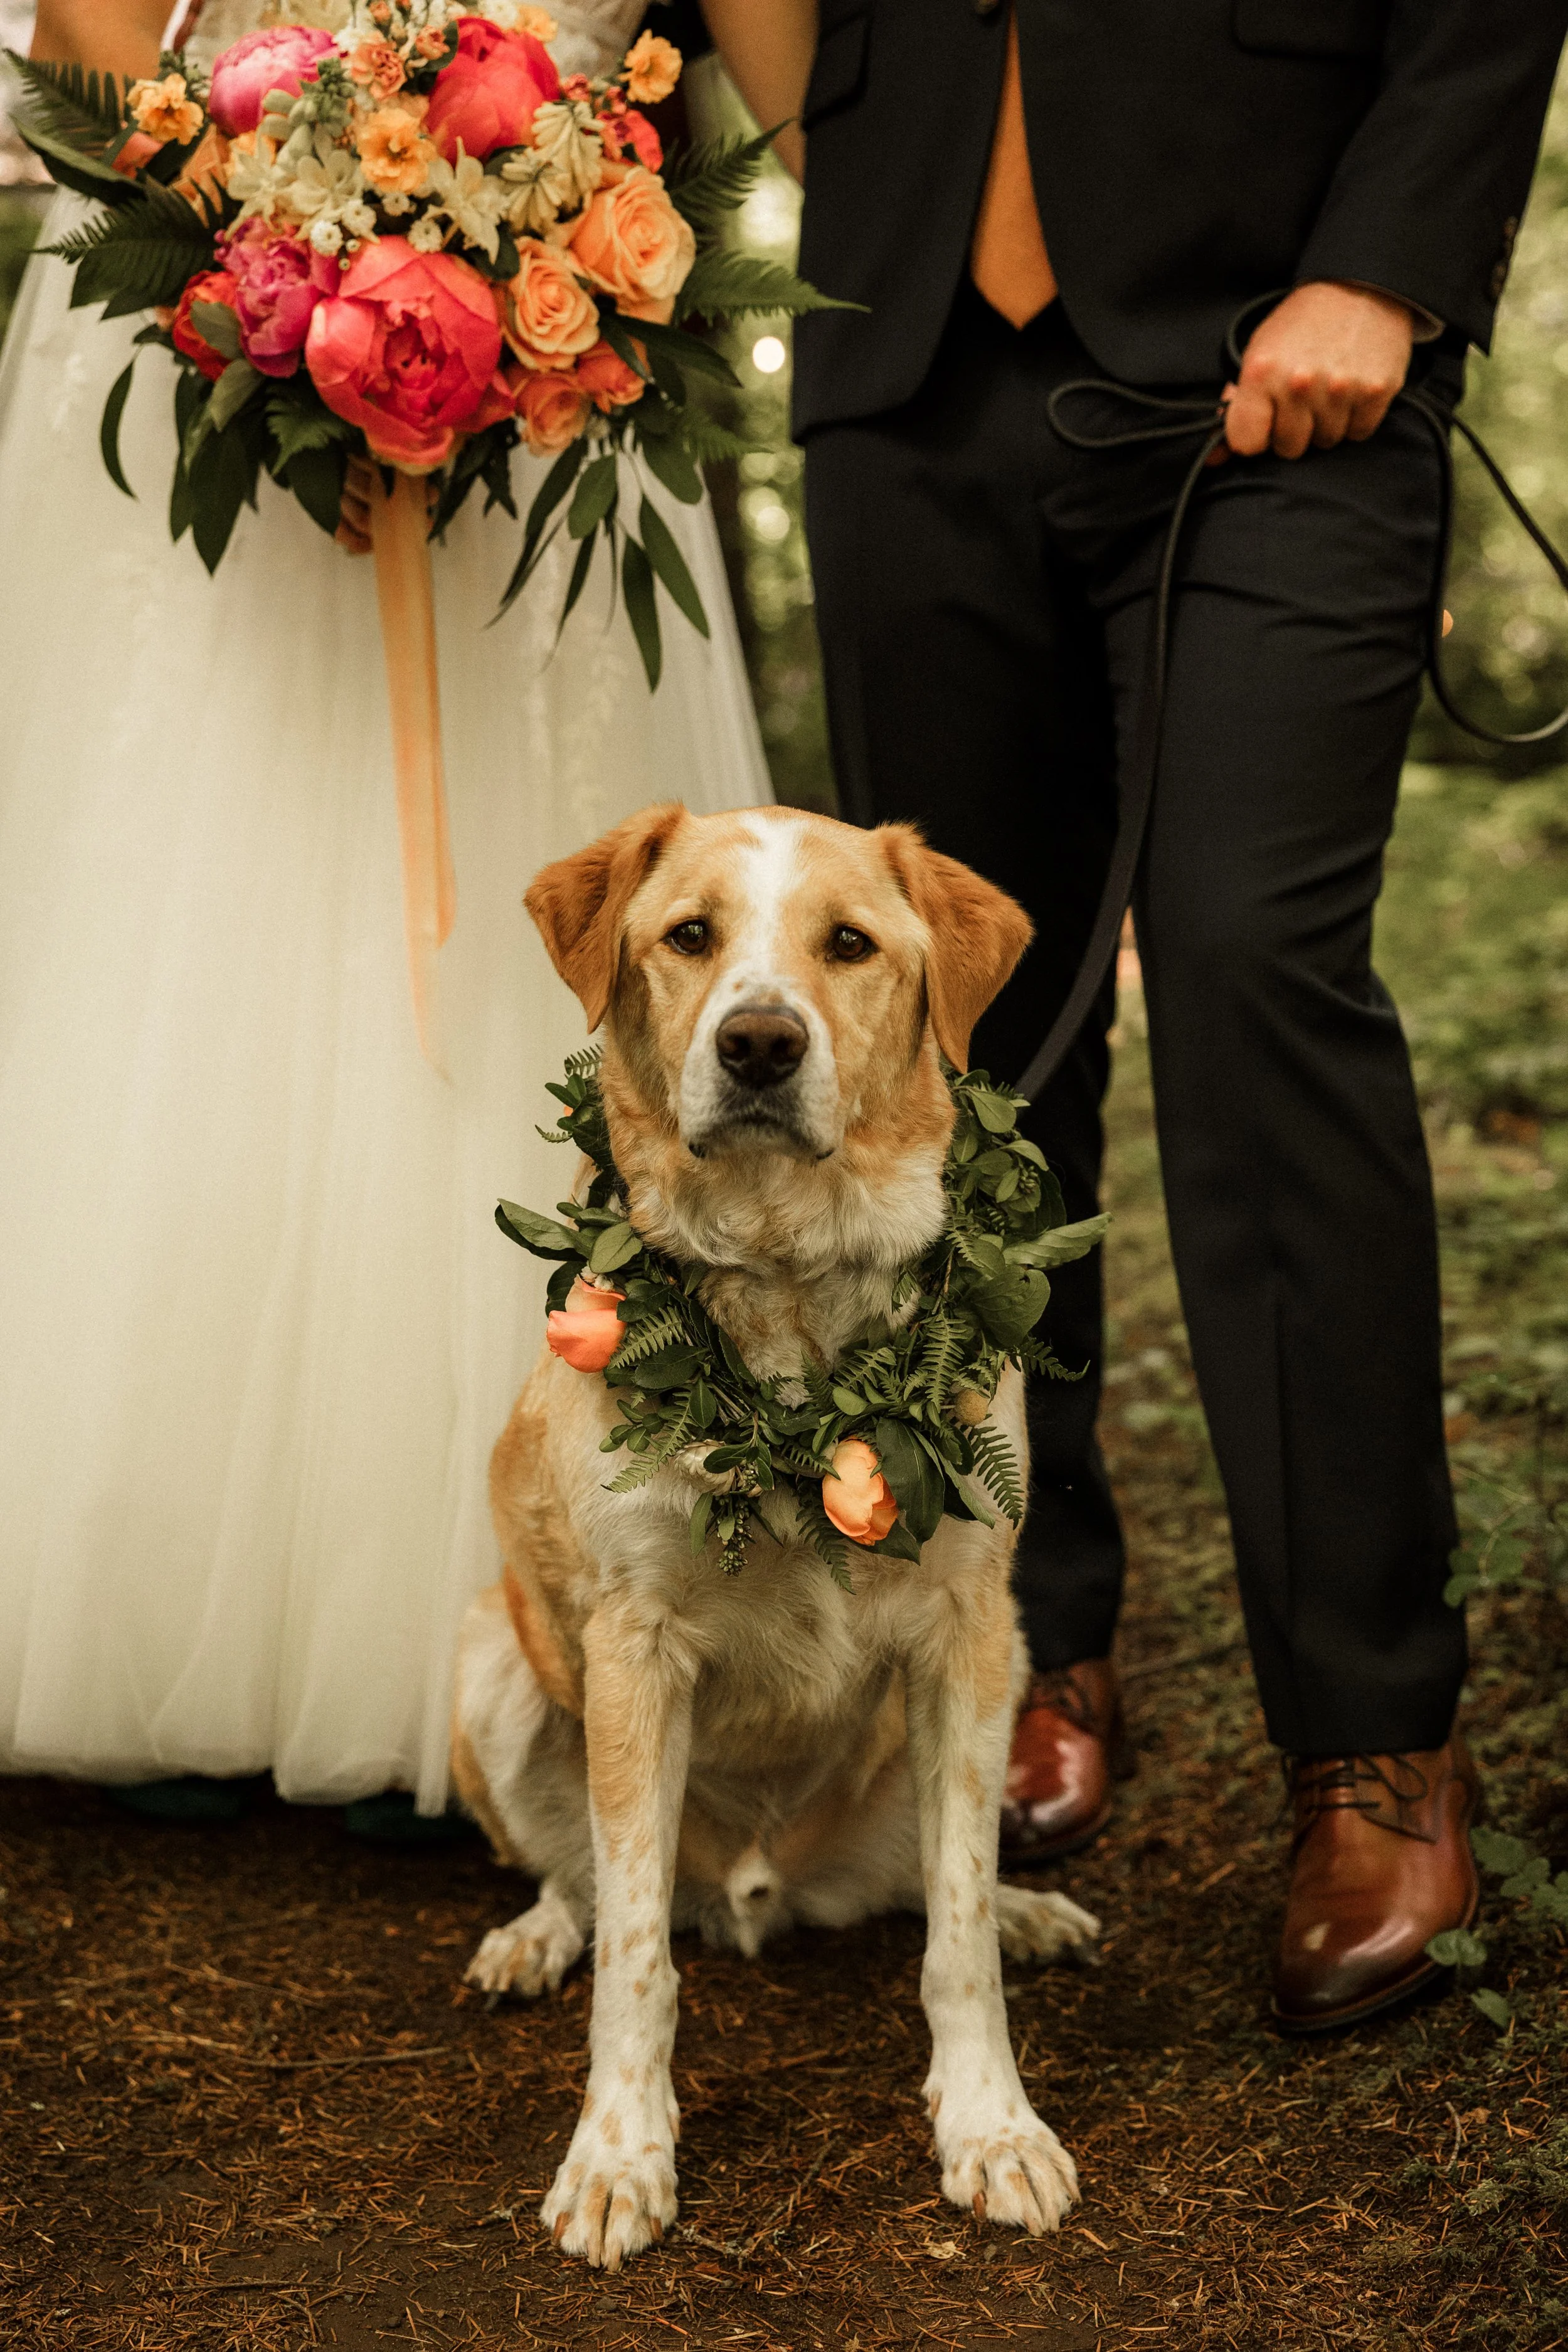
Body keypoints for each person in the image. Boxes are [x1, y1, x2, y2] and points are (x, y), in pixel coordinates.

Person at [700, 0, 1568, 2032]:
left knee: (1260, 980)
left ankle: (1372, 1733)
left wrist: (1381, 263)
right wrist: (842, 136)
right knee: (957, 1052)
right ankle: (1024, 1634)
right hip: (906, 361)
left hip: (1285, 349)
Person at [0, 0, 770, 1818]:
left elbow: (788, 92)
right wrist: (265, 308)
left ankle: (543, 1614)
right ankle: (170, 1598)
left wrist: (531, 278)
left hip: (558, 424)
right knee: (209, 924)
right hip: (229, 392)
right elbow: (106, 66)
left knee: (525, 956)